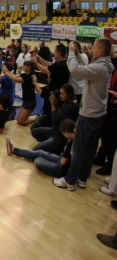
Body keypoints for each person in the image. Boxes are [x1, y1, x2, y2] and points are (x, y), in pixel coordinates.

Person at [53, 38, 114, 191]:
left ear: (100, 51)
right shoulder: (104, 65)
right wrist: (77, 54)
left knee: (77, 149)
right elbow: (86, 67)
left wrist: (71, 53)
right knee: (89, 149)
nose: (92, 50)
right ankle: (82, 178)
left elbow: (76, 70)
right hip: (98, 113)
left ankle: (70, 181)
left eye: (94, 48)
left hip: (89, 114)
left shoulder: (100, 68)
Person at [6, 118, 75, 178]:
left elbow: (63, 162)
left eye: (63, 133)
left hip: (62, 169)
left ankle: (14, 150)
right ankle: (13, 150)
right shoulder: (75, 139)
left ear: (66, 132)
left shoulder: (71, 143)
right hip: (63, 161)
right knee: (40, 153)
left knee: (38, 160)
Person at [2, 61, 37, 126]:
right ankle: (32, 119)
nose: (23, 66)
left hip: (30, 101)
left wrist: (6, 72)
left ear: (29, 67)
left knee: (21, 122)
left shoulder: (29, 76)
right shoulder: (25, 74)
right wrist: (7, 71)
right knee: (18, 120)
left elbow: (16, 80)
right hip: (26, 100)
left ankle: (37, 119)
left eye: (24, 65)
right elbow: (15, 76)